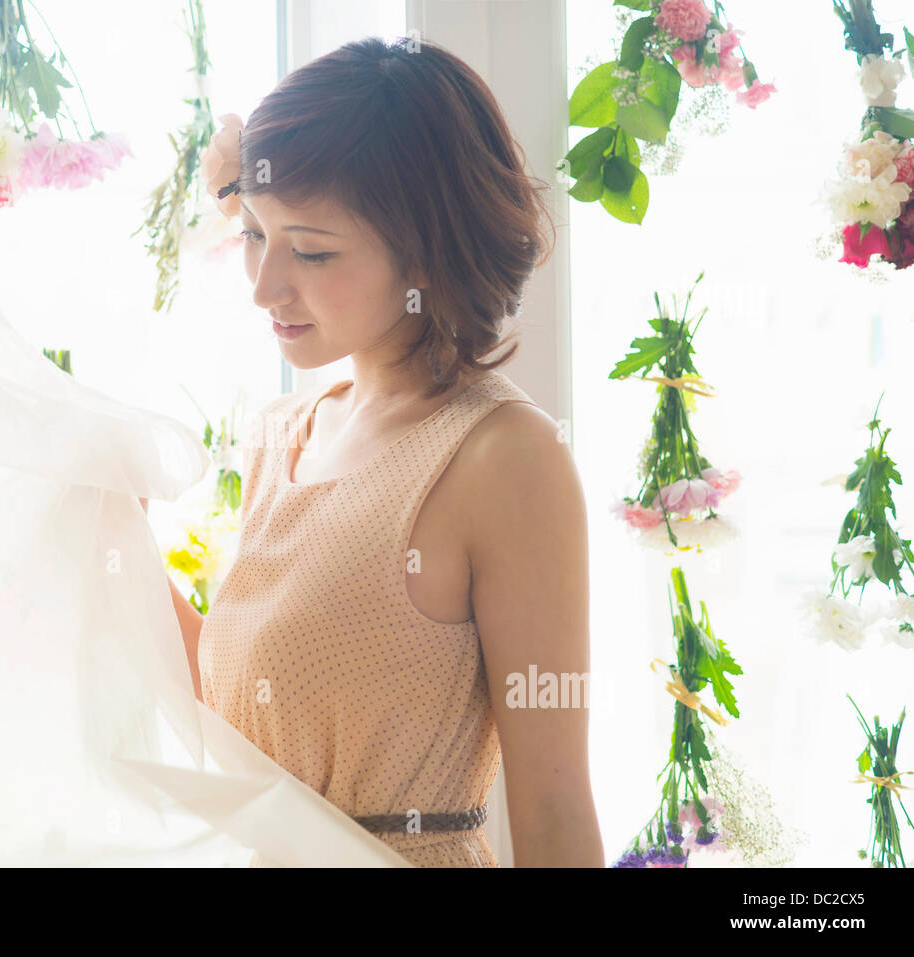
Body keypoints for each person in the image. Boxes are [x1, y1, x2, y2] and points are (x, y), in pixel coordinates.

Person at [154, 36, 601, 867]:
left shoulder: (504, 458)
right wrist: (110, 525)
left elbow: (554, 807)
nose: (264, 284)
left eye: (312, 251)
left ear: (425, 255)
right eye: (254, 233)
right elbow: (237, 728)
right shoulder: (282, 435)